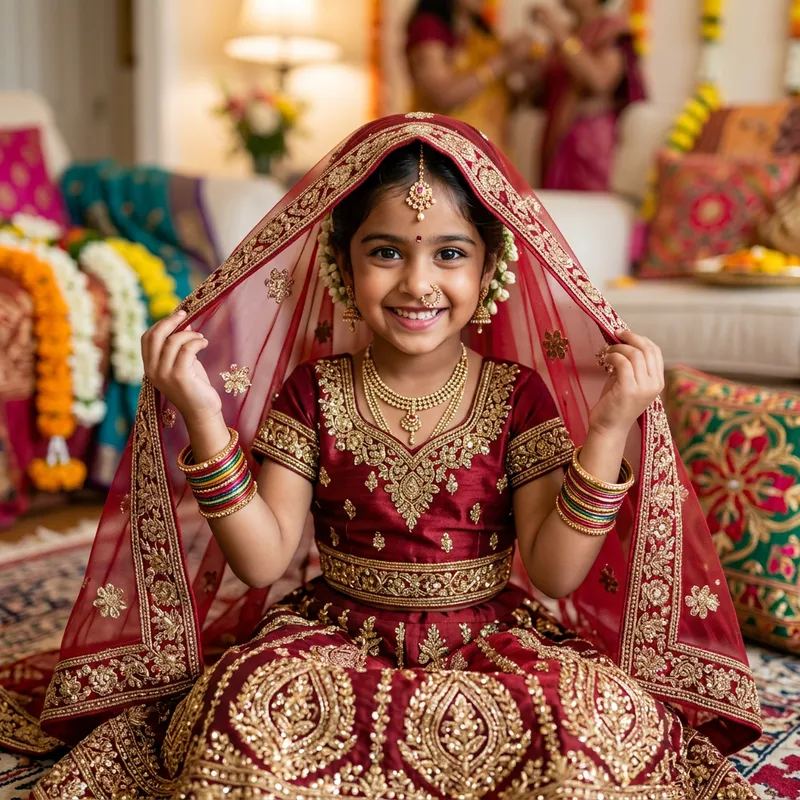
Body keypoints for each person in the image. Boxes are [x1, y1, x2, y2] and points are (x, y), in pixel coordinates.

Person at [0, 114, 760, 798]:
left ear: (489, 268)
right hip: (337, 637)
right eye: (387, 252)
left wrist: (608, 429)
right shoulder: (315, 390)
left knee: (596, 726)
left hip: (490, 641)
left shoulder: (516, 394)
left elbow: (557, 573)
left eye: (450, 253)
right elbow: (263, 562)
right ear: (343, 263)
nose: (418, 282)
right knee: (247, 719)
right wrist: (203, 415)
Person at [531, 0, 646, 191]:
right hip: (556, 135)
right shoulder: (571, 31)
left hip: (588, 143)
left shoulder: (612, 30)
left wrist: (561, 35)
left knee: (584, 211)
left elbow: (599, 80)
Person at [406, 0, 534, 149]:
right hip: (446, 149)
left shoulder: (484, 33)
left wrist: (530, 78)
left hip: (490, 149)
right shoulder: (429, 28)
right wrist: (503, 61)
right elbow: (442, 95)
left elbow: (497, 102)